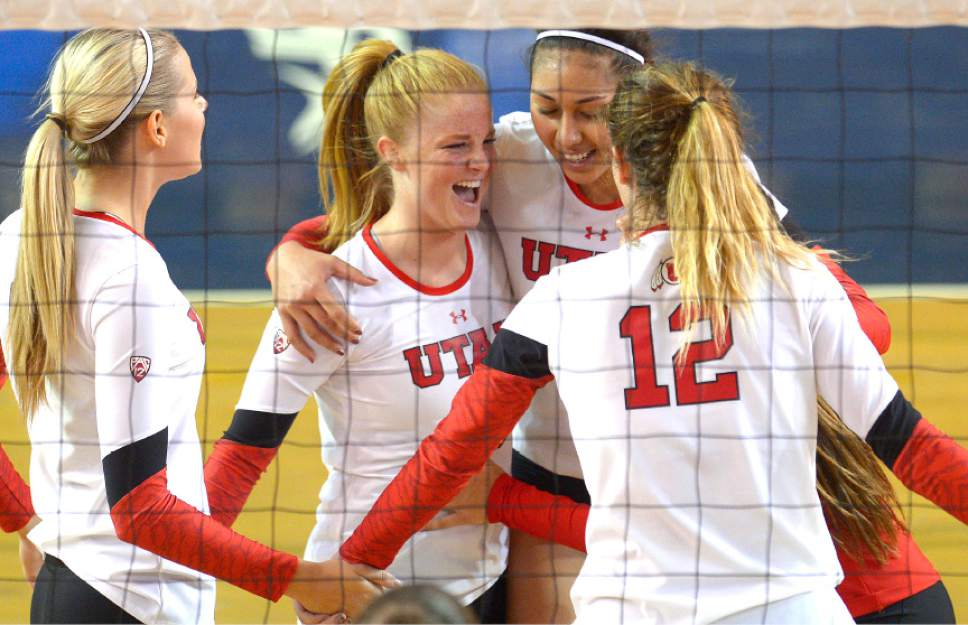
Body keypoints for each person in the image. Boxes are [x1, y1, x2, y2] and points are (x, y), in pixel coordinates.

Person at [262, 29, 956, 625]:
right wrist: (296, 249)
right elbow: (402, 209)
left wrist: (347, 567)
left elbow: (448, 451)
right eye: (545, 108)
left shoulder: (569, 298)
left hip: (653, 531)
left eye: (590, 112)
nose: (565, 135)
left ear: (626, 141)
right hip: (589, 474)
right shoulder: (511, 156)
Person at [0, 28, 391, 624]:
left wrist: (30, 520)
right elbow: (141, 509)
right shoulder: (129, 279)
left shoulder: (22, 234)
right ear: (157, 126)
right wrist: (304, 579)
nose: (204, 106)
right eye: (193, 93)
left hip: (74, 588)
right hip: (130, 602)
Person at [204, 40, 512, 623]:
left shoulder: (500, 245)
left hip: (489, 585)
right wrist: (170, 569)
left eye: (486, 143)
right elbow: (235, 468)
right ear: (392, 153)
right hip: (371, 601)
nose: (480, 163)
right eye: (456, 147)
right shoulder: (331, 294)